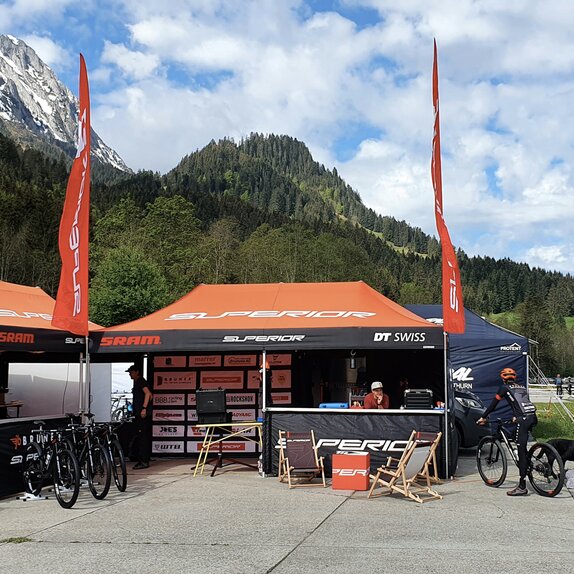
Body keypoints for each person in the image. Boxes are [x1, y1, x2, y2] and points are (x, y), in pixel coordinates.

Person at [477, 367, 537, 496]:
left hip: (523, 419)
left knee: (520, 451)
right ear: (514, 377)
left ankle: (522, 486)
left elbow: (493, 405)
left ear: (503, 378)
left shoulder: (503, 388)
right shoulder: (521, 387)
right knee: (521, 441)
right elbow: (522, 403)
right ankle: (527, 461)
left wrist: (483, 417)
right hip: (532, 417)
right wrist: (517, 416)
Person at [127, 364, 153, 469]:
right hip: (139, 414)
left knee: (143, 437)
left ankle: (144, 461)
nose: (130, 374)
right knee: (140, 436)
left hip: (143, 415)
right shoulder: (138, 382)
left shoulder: (141, 381)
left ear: (137, 372)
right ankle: (141, 458)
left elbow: (148, 394)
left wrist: (144, 408)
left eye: (131, 372)